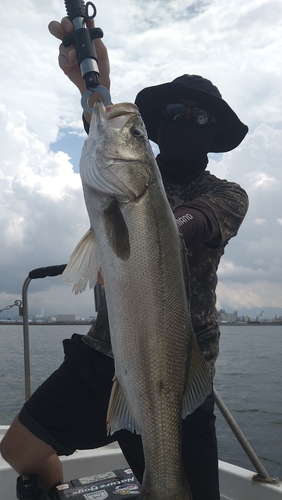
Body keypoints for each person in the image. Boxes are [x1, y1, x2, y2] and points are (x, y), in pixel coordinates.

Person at [0, 16, 249, 500]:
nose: (186, 121)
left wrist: (154, 225)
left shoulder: (227, 194)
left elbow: (196, 221)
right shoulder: (129, 168)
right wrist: (94, 83)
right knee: (18, 454)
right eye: (176, 111)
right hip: (102, 351)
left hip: (176, 367)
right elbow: (110, 141)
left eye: (201, 117)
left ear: (214, 130)